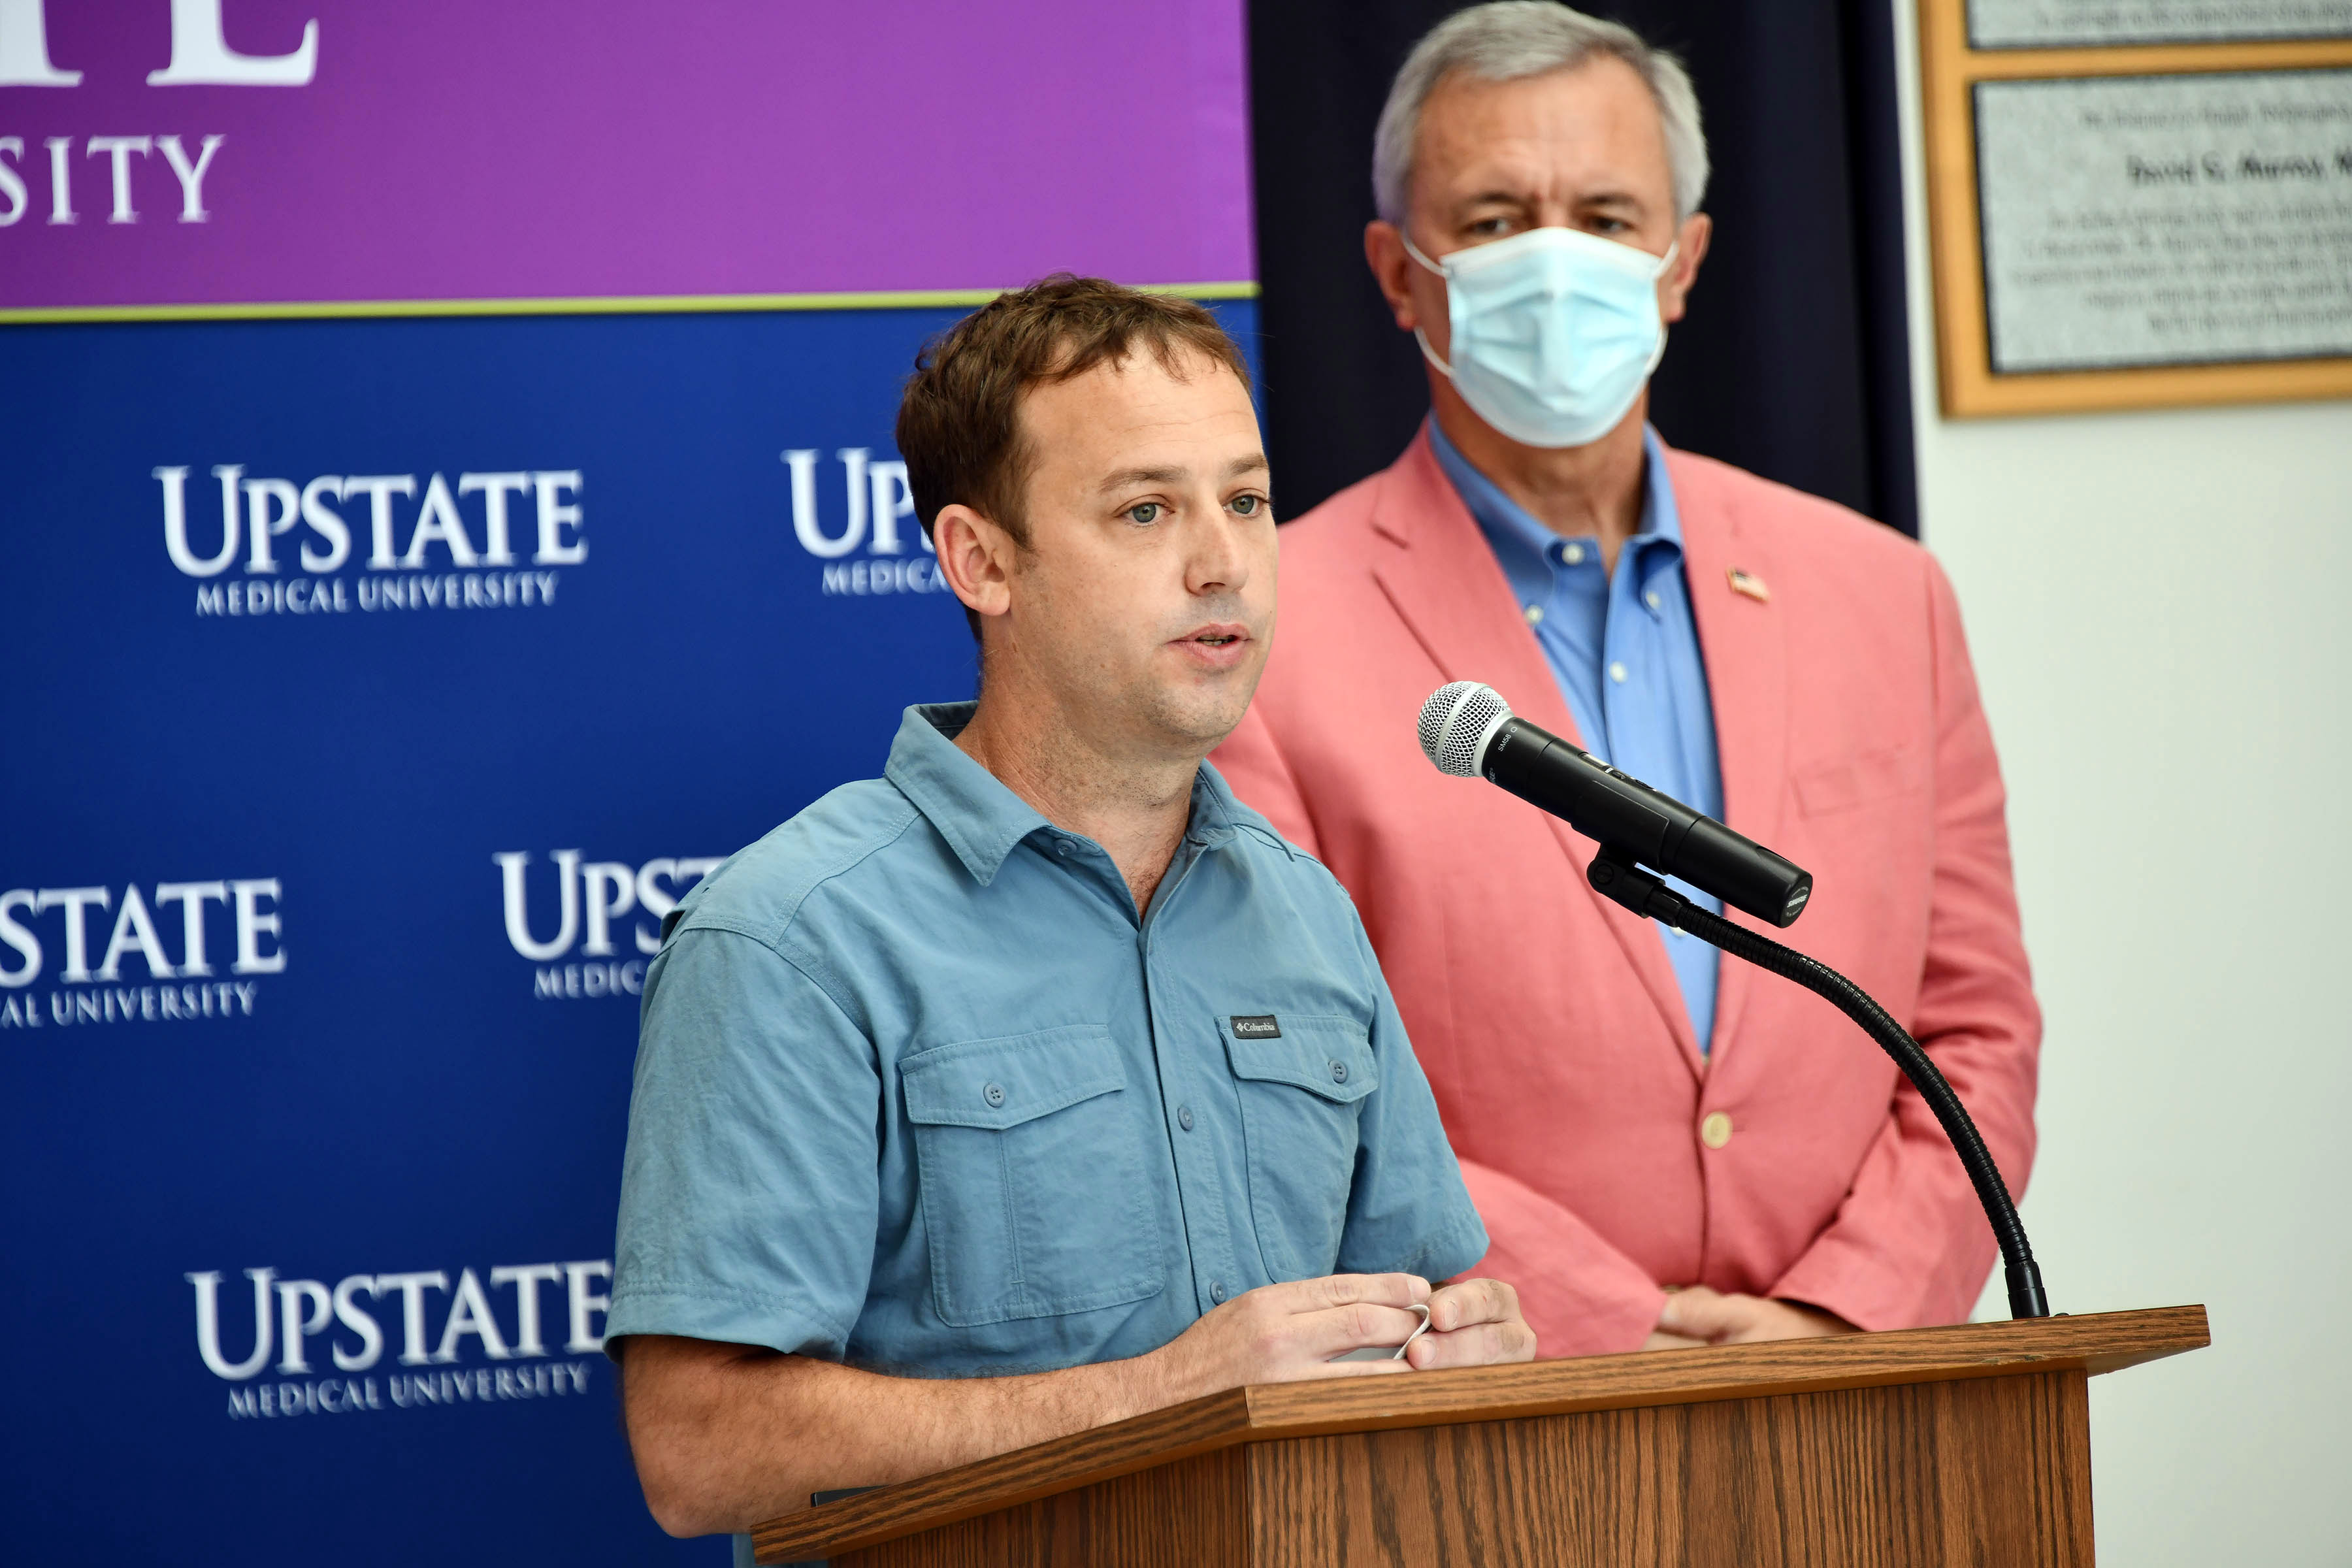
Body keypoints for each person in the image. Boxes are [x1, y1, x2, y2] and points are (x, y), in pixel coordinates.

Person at [604, 276, 1535, 1546]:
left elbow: (1423, 1300)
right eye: (1146, 510)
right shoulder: (793, 937)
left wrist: (1469, 1354)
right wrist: (1164, 1398)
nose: (1223, 564)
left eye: (1248, 502)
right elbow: (700, 1446)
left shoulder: (1306, 912)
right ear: (979, 560)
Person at [1213, 3, 2040, 1360]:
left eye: (1604, 218)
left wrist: (1843, 1313)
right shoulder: (1269, 636)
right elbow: (1311, 1087)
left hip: (1860, 1403)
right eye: (1492, 220)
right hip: (1491, 1415)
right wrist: (1624, 1333)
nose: (1555, 262)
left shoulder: (1885, 594)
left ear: (1681, 263)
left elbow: (1974, 1028)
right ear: (1397, 272)